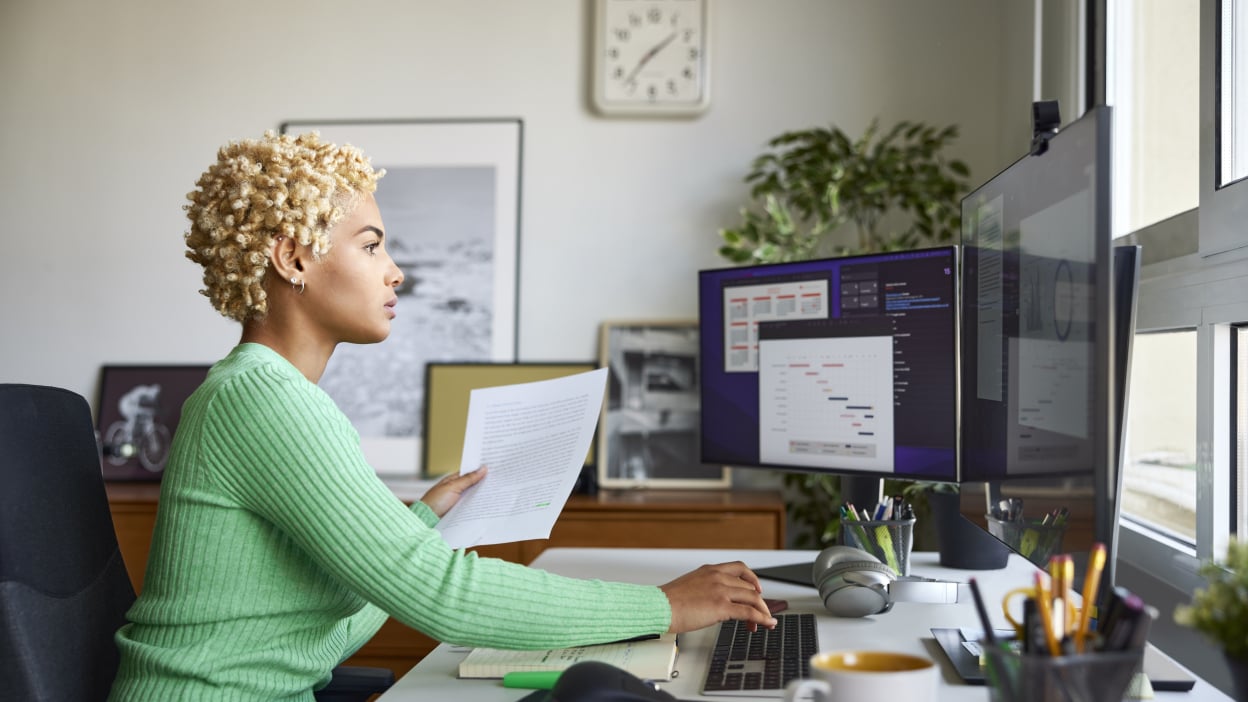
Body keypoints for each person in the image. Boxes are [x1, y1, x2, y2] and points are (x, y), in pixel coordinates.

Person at [108, 131, 776, 701]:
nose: (395, 272)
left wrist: (423, 521)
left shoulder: (265, 393)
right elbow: (437, 595)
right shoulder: (261, 400)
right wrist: (666, 606)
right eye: (371, 246)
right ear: (293, 259)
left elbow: (322, 628)